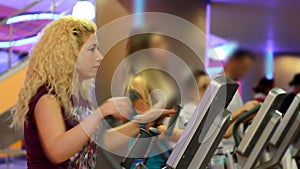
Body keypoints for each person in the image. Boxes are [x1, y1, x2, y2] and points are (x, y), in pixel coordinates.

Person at [11, 16, 165, 169]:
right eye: (92, 49)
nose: (100, 57)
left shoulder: (76, 97)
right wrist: (99, 113)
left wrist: (140, 123)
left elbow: (100, 140)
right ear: (69, 55)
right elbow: (57, 151)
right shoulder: (48, 98)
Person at [221, 49, 259, 149]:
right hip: (222, 148)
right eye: (243, 68)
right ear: (233, 62)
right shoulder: (219, 86)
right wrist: (243, 110)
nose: (245, 73)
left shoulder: (233, 88)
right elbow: (215, 123)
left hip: (233, 145)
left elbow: (234, 119)